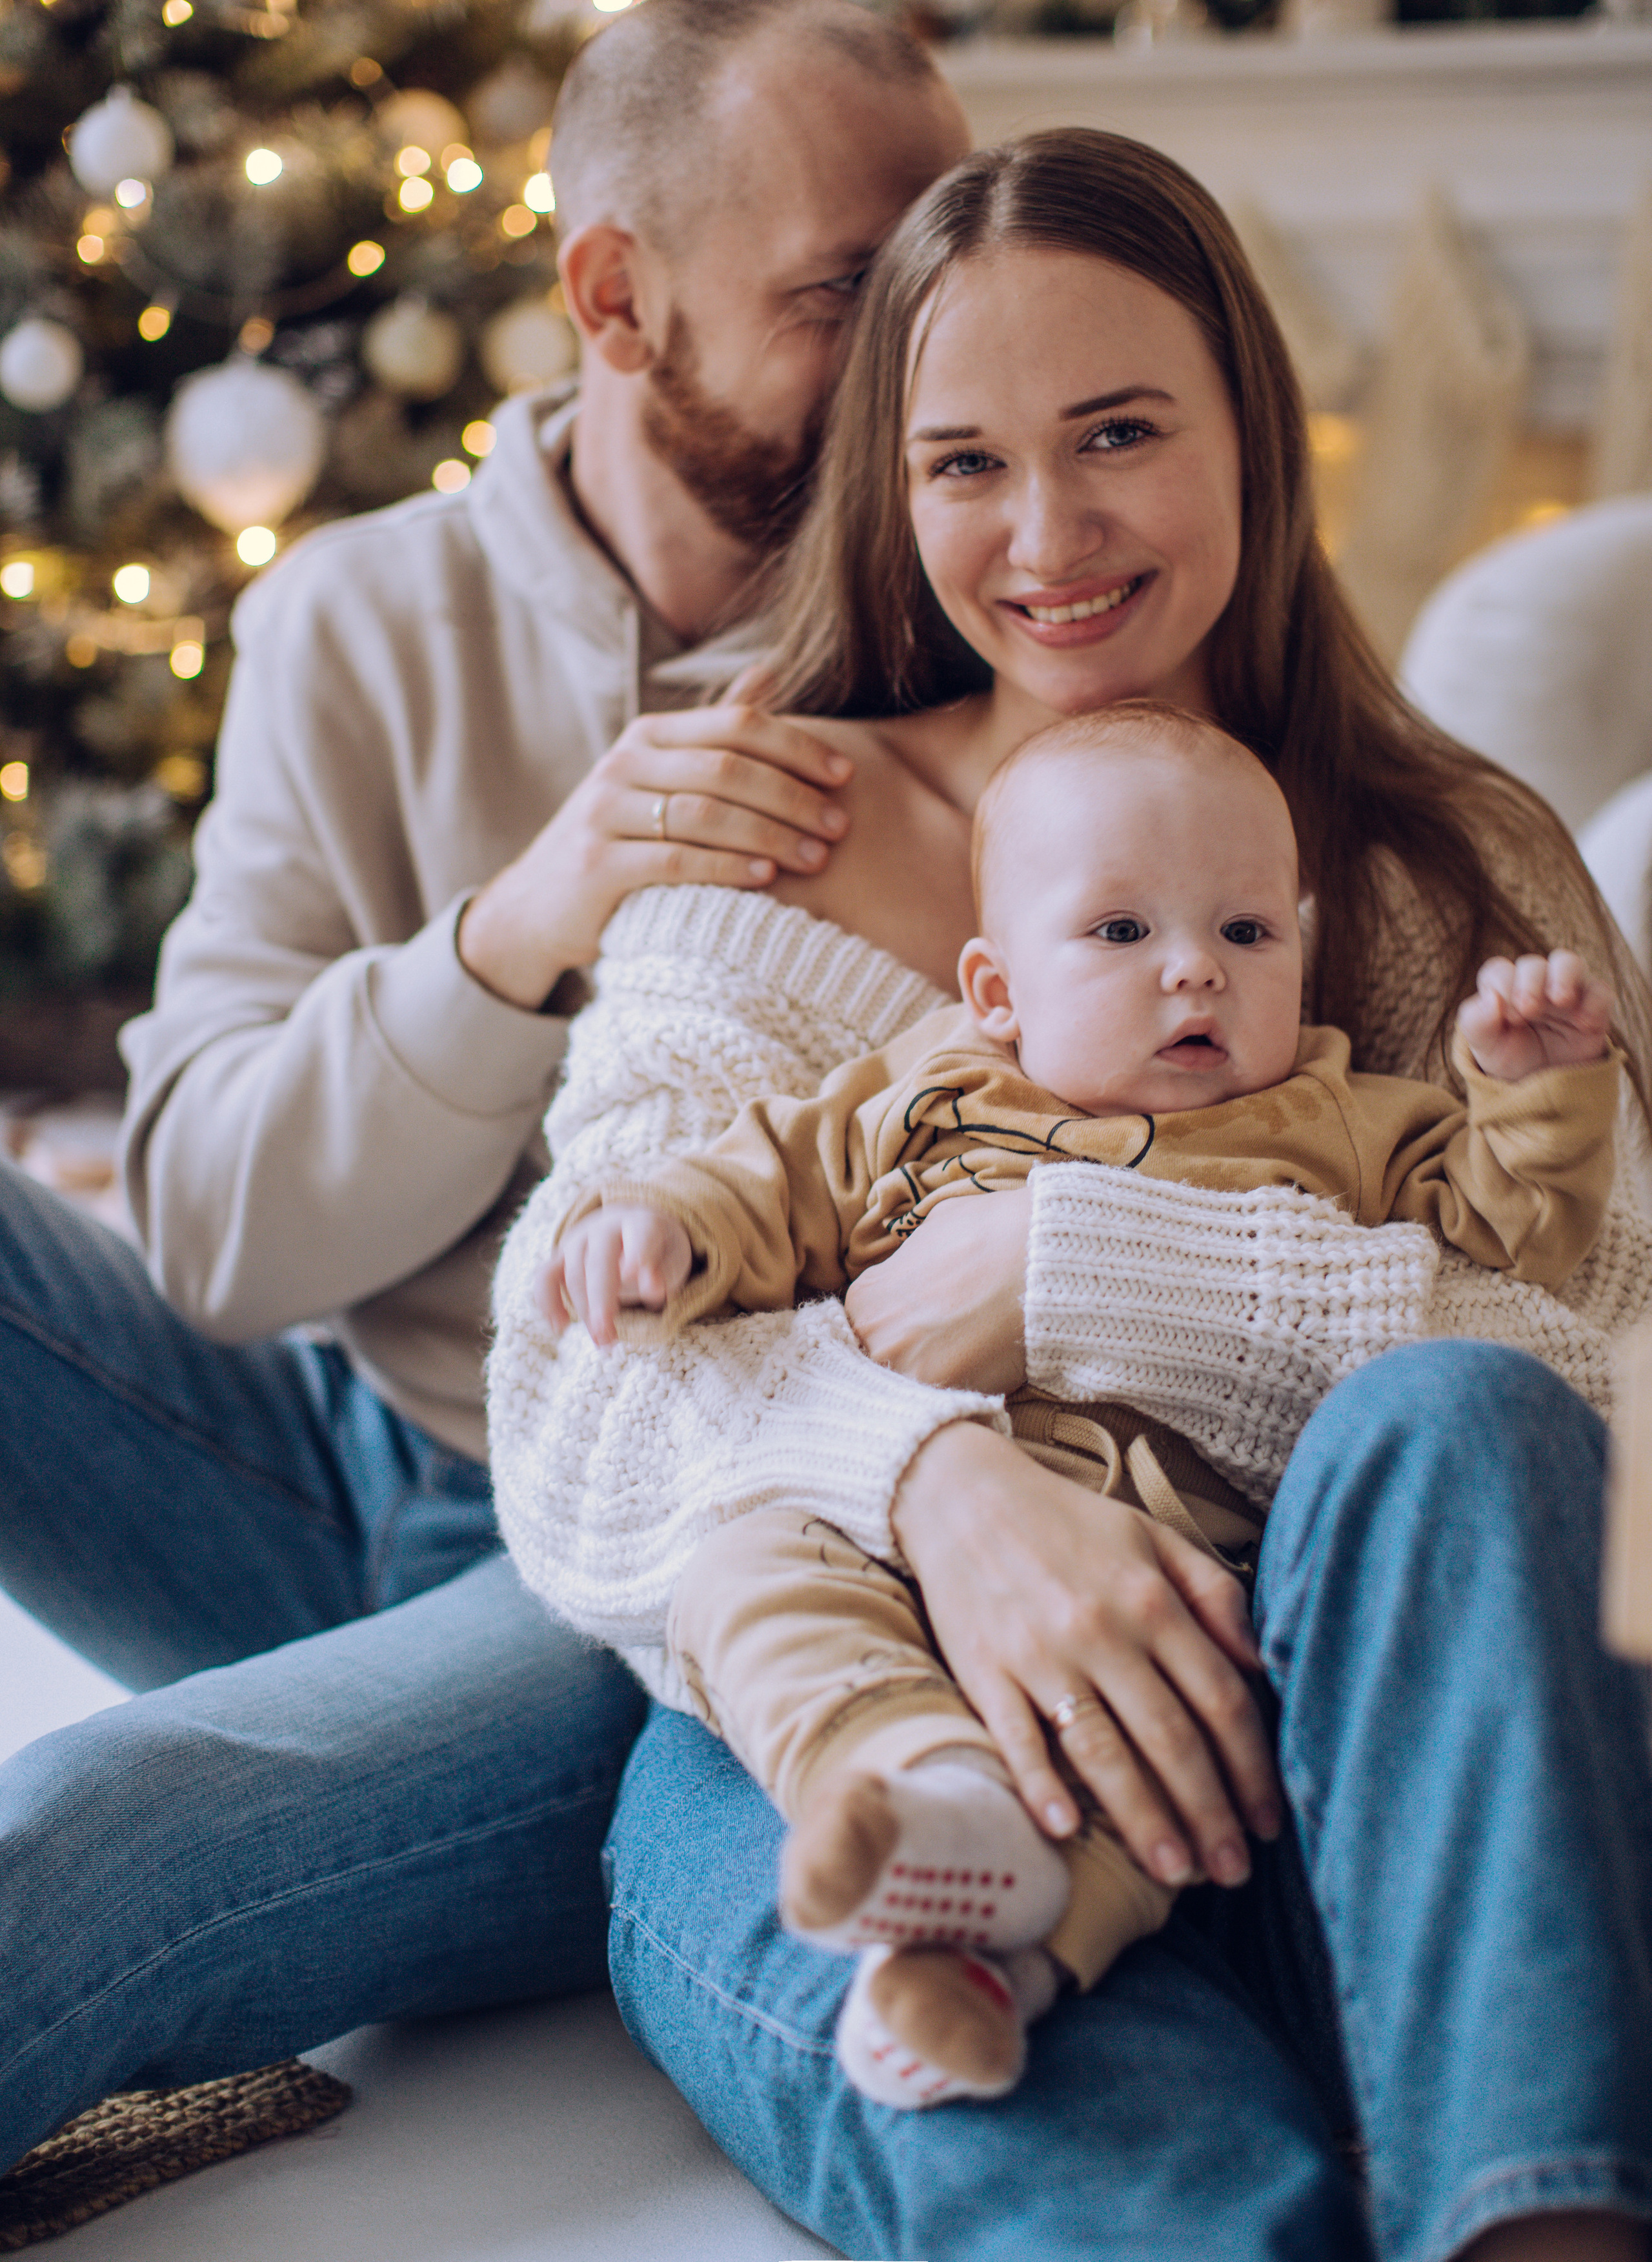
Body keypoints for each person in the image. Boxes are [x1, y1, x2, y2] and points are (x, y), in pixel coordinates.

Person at [489, 129, 1652, 2260]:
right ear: (892, 481)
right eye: (965, 463)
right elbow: (574, 1410)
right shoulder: (773, 821)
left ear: (1256, 435)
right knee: (1130, 2171)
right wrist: (939, 1481)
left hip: (1325, 1740)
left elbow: (1610, 1392)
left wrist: (1093, 1265)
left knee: (1462, 1415)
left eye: (1120, 433)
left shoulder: (1438, 880)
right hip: (871, 1726)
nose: (1048, 537)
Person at [0, 0, 971, 2175]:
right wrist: (511, 936)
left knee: (88, 1818)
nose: (933, 360)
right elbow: (220, 1233)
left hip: (641, 1565)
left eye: (944, 270)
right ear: (617, 302)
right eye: (848, 296)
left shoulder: (973, 641)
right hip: (337, 1451)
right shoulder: (356, 620)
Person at [527, 702, 1624, 2113]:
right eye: (1120, 935)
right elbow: (762, 1189)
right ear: (992, 990)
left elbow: (1520, 1235)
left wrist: (1537, 1095)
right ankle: (918, 1784)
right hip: (899, 1550)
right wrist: (656, 1229)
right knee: (741, 1571)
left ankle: (998, 1967)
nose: (1194, 976)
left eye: (1245, 934)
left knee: (1160, 1743)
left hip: (1190, 1583)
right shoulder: (915, 1103)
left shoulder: (1340, 1115)